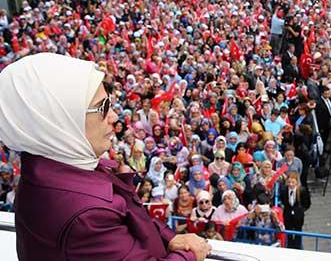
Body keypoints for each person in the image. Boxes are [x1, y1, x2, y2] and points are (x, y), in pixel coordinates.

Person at [0, 53, 211, 260]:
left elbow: (132, 220)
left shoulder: (55, 165)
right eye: (102, 107)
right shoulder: (86, 217)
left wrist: (170, 238)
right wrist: (188, 255)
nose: (114, 116)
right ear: (58, 119)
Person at [279, 171, 311, 249]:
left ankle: (297, 248)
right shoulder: (284, 189)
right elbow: (283, 201)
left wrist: (300, 211)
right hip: (287, 215)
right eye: (289, 182)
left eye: (293, 182)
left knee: (298, 233)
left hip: (298, 216)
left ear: (297, 182)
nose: (291, 184)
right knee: (289, 233)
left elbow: (307, 203)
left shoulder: (302, 190)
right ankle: (290, 247)